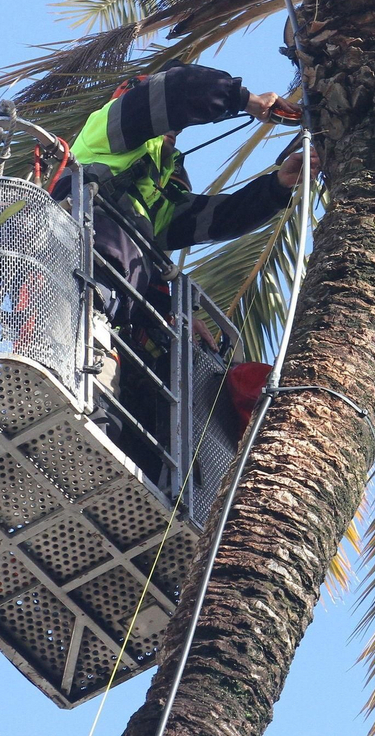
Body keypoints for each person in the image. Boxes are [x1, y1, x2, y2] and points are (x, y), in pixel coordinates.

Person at [53, 60, 313, 476]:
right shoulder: (108, 131)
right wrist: (244, 100)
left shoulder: (158, 192)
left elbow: (217, 219)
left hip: (111, 305)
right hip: (75, 278)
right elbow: (177, 92)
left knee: (120, 412)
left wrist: (278, 186)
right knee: (89, 396)